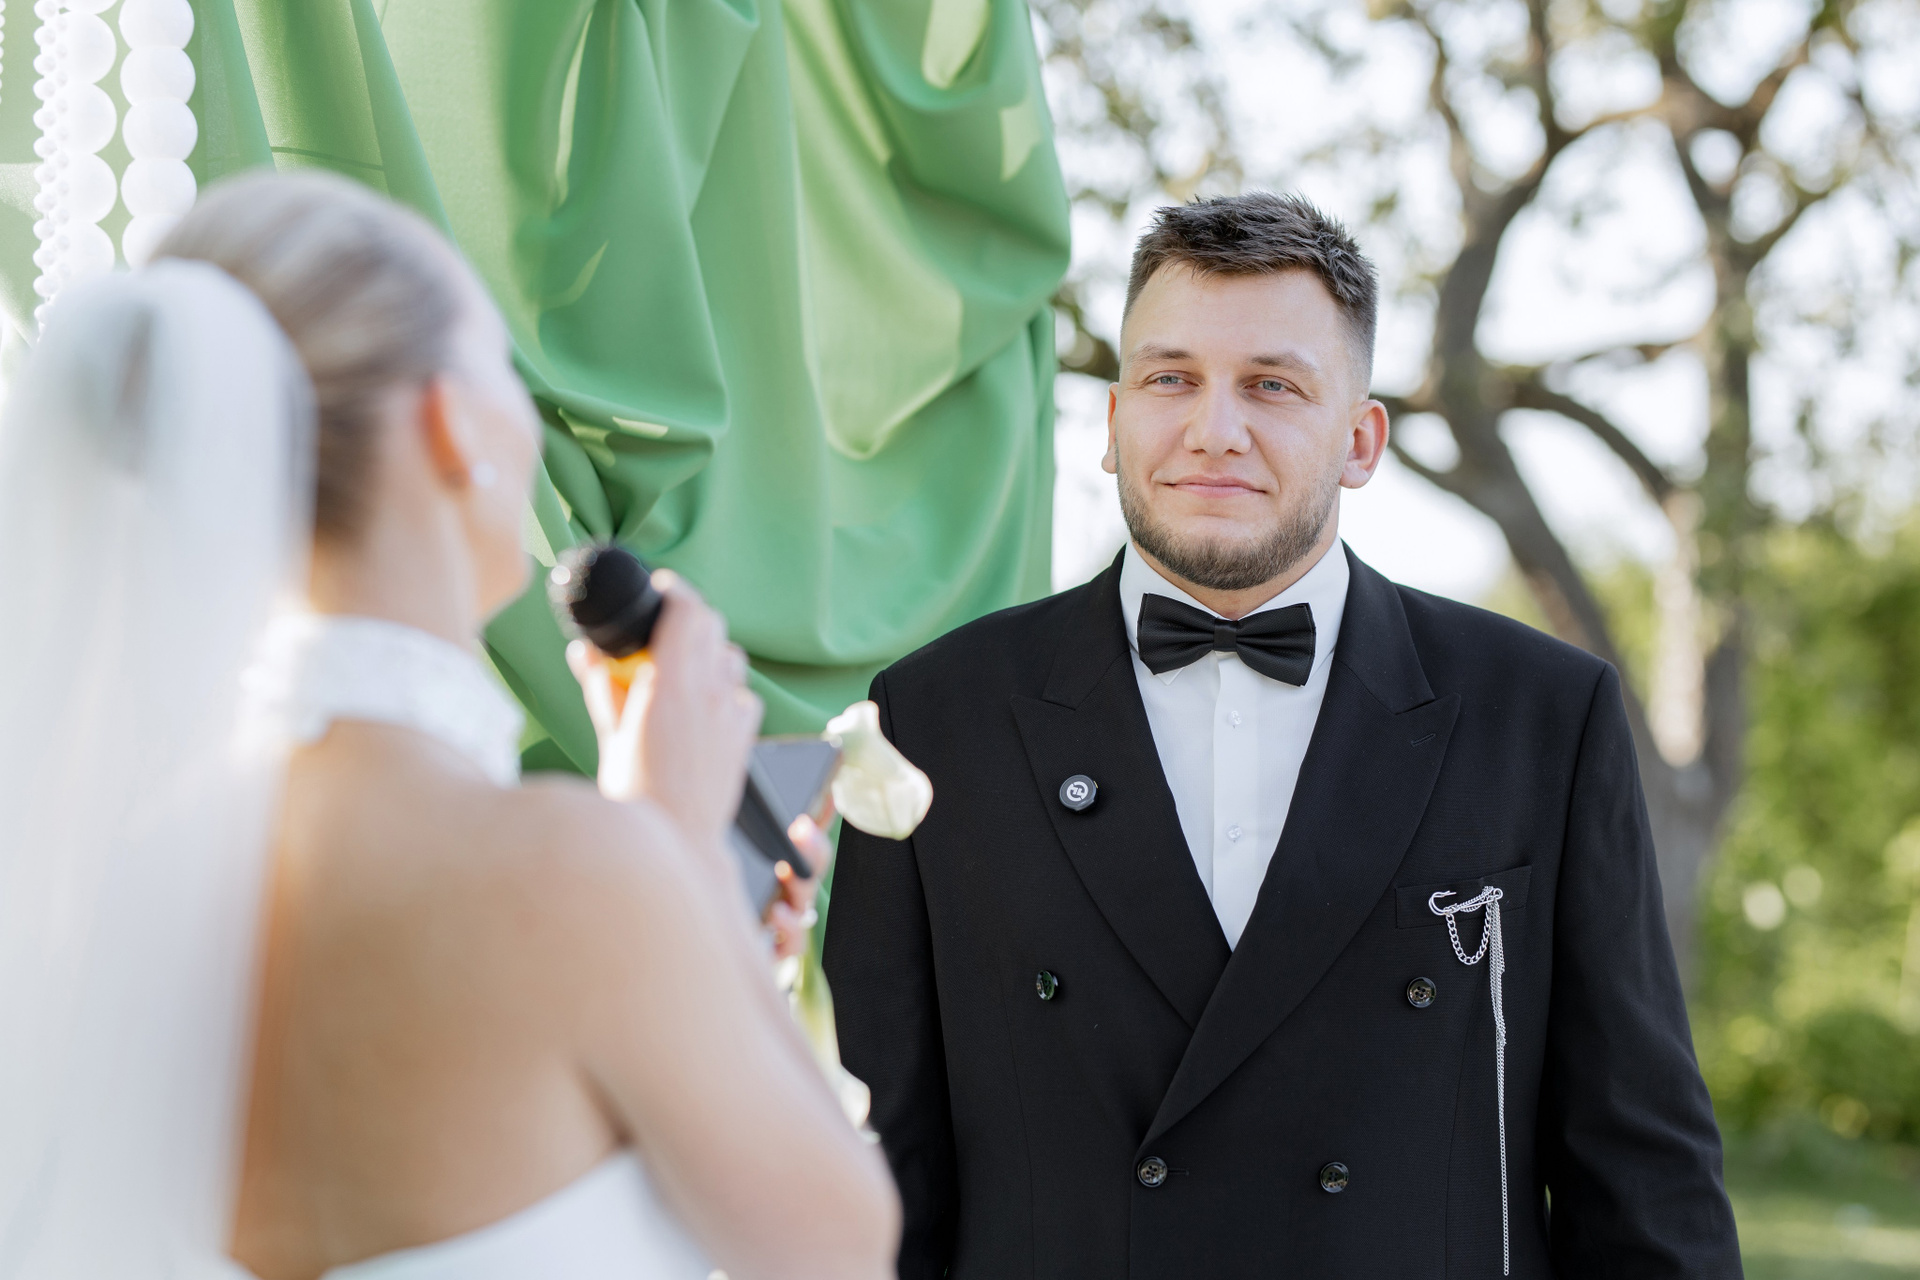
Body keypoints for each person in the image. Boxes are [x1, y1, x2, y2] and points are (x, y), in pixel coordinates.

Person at [824, 192, 1743, 1278]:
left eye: (1272, 385)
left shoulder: (1543, 713)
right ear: (1112, 423)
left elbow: (1642, 1173)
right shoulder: (935, 718)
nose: (1215, 428)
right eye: (1171, 378)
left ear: (1360, 440)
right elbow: (876, 1173)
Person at [0, 172, 898, 1279]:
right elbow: (840, 1249)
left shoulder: (101, 880)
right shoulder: (579, 876)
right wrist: (684, 863)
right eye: (502, 368)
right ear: (452, 423)